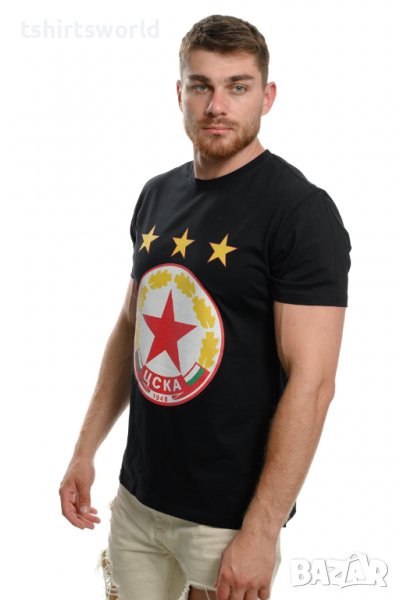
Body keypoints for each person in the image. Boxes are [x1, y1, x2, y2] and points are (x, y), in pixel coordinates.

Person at [59, 14, 352, 600]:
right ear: (180, 93)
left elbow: (314, 383)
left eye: (238, 87)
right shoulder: (157, 193)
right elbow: (132, 325)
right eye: (201, 86)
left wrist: (261, 531)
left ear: (267, 96)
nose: (217, 105)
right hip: (137, 500)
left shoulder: (300, 211)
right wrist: (84, 450)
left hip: (225, 521)